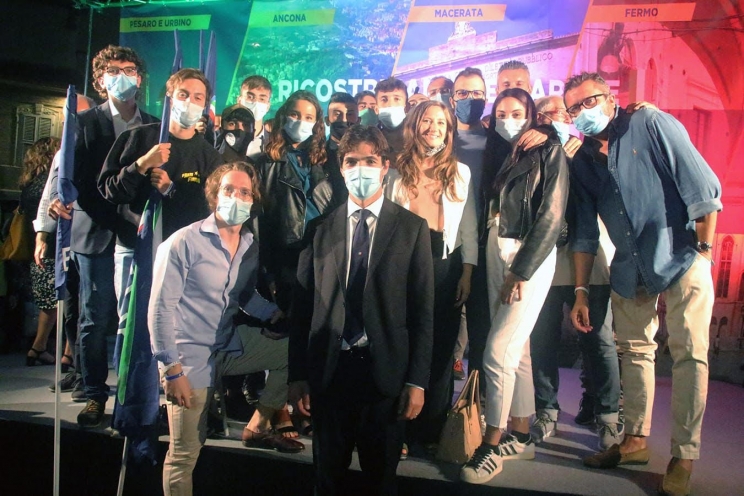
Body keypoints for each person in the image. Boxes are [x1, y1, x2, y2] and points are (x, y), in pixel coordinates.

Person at [565, 72, 721, 496]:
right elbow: (584, 233)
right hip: (629, 269)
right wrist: (581, 291)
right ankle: (634, 440)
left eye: (589, 101)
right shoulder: (582, 162)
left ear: (610, 97)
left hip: (683, 255)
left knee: (690, 355)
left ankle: (684, 455)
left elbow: (703, 188)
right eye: (574, 108)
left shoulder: (650, 123)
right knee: (634, 353)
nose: (583, 112)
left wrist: (704, 250)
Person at [288, 125, 434, 495]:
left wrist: (417, 382)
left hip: (385, 375)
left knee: (380, 482)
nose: (360, 169)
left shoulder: (412, 229)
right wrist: (297, 375)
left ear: (385, 166)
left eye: (370, 160)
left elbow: (422, 312)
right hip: (330, 371)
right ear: (341, 168)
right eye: (352, 161)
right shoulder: (319, 228)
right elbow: (302, 308)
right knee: (327, 480)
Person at [150, 162, 303, 496]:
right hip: (188, 360)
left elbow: (244, 296)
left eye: (245, 192)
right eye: (229, 189)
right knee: (185, 453)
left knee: (290, 351)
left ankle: (258, 425)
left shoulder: (249, 245)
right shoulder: (182, 242)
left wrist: (273, 314)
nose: (237, 196)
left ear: (253, 199)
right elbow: (159, 311)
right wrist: (171, 369)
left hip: (227, 345)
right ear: (214, 195)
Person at [460, 88, 569, 484]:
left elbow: (552, 217)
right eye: (502, 113)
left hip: (526, 255)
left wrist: (521, 271)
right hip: (494, 246)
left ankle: (491, 444)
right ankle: (521, 435)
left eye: (517, 112)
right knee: (517, 350)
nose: (509, 120)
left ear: (531, 114)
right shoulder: (500, 151)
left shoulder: (549, 149)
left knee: (497, 351)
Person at [50, 45, 158, 427]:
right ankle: (94, 392)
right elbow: (66, 175)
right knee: (94, 321)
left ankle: (133, 395)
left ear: (140, 78)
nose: (122, 76)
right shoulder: (83, 122)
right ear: (100, 79)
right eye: (113, 70)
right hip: (94, 231)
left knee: (137, 320)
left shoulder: (153, 125)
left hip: (137, 233)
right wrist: (55, 205)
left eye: (129, 69)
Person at [527, 95, 622, 451]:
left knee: (599, 339)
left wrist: (578, 156)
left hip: (589, 257)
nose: (556, 119)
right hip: (545, 259)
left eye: (561, 113)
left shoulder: (590, 153)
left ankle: (608, 414)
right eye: (546, 114)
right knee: (542, 339)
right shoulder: (530, 154)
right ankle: (546, 410)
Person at [98, 68, 224, 334]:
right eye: (183, 94)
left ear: (205, 105)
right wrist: (141, 165)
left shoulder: (209, 156)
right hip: (135, 247)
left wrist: (171, 189)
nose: (189, 102)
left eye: (198, 97)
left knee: (172, 330)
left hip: (181, 255)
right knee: (132, 328)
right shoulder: (137, 138)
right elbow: (109, 190)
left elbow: (209, 211)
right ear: (169, 97)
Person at [385, 100, 478, 449]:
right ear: (414, 126)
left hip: (445, 264)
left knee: (440, 349)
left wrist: (467, 273)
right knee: (404, 344)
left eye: (441, 122)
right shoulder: (395, 172)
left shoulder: (461, 172)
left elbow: (468, 227)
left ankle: (430, 431)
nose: (433, 128)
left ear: (449, 130)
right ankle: (398, 430)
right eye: (427, 121)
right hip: (403, 265)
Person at [449, 67, 490, 387]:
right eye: (463, 93)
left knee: (482, 325)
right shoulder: (442, 139)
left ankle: (477, 398)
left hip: (487, 242)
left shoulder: (498, 142)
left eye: (477, 93)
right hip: (449, 242)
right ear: (452, 99)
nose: (469, 99)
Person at [19, 138, 61, 367]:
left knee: (47, 302)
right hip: (52, 242)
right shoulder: (50, 182)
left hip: (35, 244)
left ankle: (39, 347)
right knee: (61, 299)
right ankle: (58, 350)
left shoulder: (28, 183)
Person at [374, 77, 409, 167]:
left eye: (396, 99)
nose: (390, 104)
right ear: (376, 109)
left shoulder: (418, 137)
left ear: (407, 107)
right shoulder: (370, 138)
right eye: (384, 100)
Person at [237, 75, 273, 161]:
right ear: (239, 101)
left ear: (268, 106)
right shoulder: (222, 138)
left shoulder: (274, 144)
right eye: (250, 97)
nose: (256, 103)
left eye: (262, 99)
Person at [325, 91, 359, 175]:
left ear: (358, 121)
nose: (344, 119)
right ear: (327, 120)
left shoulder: (368, 153)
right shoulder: (317, 154)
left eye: (350, 114)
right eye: (337, 114)